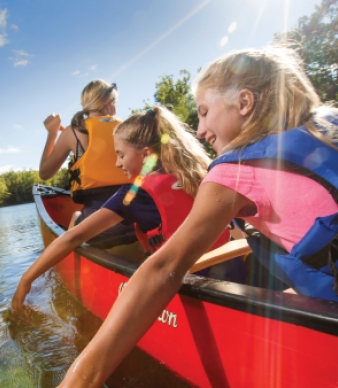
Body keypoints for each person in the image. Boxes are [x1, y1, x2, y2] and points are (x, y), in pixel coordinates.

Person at [46, 45, 338, 388]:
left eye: (204, 111)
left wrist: (79, 380)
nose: (199, 130)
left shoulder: (236, 170)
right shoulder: (327, 121)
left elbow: (162, 269)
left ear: (244, 104)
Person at [12, 105, 234, 312]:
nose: (118, 164)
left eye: (120, 155)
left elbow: (72, 238)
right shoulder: (199, 176)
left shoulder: (134, 196)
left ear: (146, 154)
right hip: (233, 274)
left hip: (191, 289)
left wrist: (26, 279)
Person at [39, 79, 135, 248]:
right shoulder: (129, 128)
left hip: (97, 226)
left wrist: (52, 133)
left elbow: (45, 173)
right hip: (137, 218)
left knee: (76, 216)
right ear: (108, 104)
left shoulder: (72, 133)